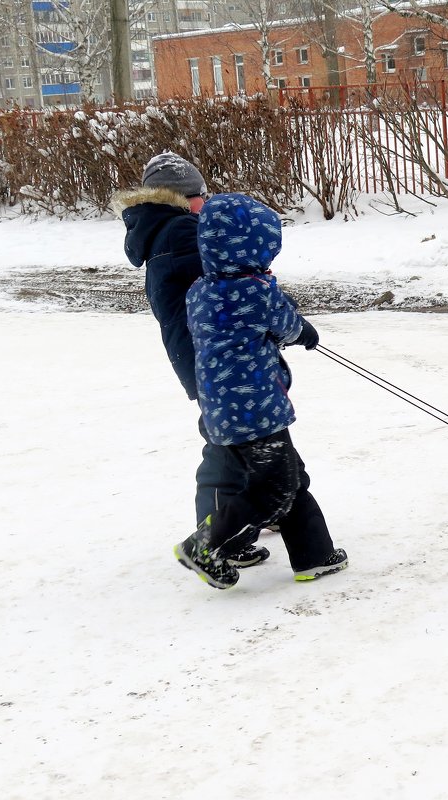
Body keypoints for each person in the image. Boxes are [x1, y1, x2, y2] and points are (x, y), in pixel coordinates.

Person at [173, 192, 348, 590]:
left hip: (222, 411)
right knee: (275, 488)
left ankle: (314, 555)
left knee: (289, 477)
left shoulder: (200, 290)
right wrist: (304, 332)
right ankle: (203, 543)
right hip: (256, 411)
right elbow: (286, 324)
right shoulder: (254, 291)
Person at [112, 152, 268, 571]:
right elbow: (225, 283)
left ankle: (257, 516)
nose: (206, 201)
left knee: (248, 439)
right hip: (210, 356)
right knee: (227, 446)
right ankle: (216, 537)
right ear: (181, 197)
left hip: (200, 352)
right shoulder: (181, 231)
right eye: (201, 194)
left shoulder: (162, 228)